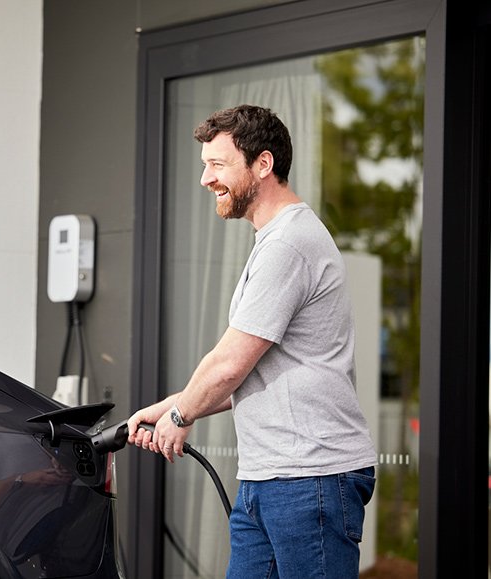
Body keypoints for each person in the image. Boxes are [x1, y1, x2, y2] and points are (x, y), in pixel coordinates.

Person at [127, 105, 377, 579]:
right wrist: (173, 405)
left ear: (263, 165)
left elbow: (229, 365)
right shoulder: (273, 240)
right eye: (206, 165)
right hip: (267, 478)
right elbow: (257, 371)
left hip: (311, 480)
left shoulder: (289, 243)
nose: (206, 179)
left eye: (217, 165)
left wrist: (183, 415)